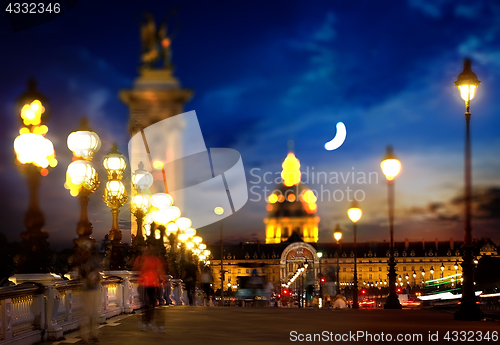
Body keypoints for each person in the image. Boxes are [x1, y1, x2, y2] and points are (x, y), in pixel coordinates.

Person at [77, 240, 101, 343]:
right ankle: (89, 336)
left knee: (90, 313)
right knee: (90, 313)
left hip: (91, 289)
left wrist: (93, 279)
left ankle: (88, 336)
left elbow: (96, 275)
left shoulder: (83, 262)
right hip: (90, 289)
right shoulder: (88, 261)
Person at [139, 247, 165, 331]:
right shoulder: (154, 260)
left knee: (148, 304)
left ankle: (147, 322)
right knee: (152, 303)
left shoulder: (147, 260)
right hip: (151, 284)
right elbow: (159, 270)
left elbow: (142, 269)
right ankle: (149, 323)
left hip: (147, 283)